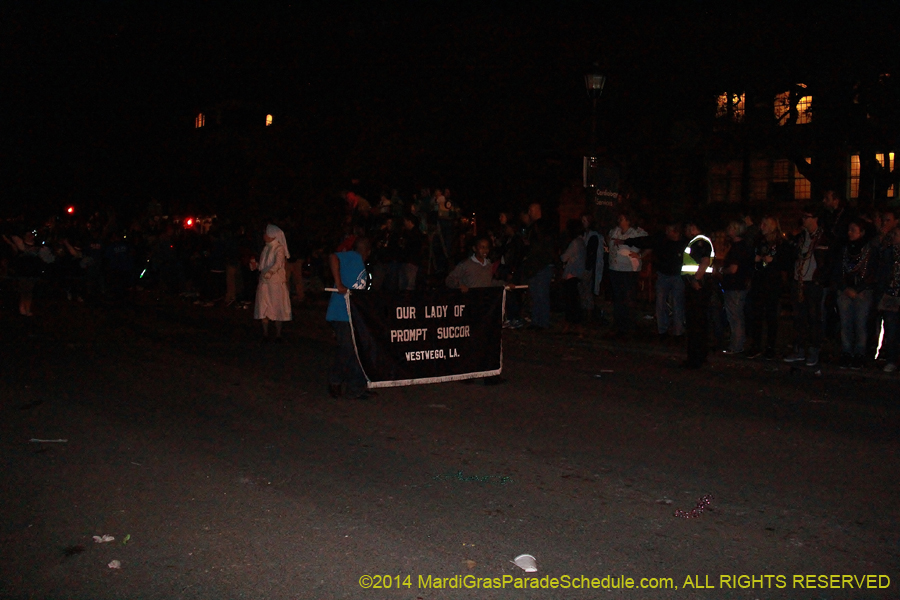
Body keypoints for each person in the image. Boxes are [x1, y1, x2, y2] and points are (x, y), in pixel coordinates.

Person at [783, 205, 833, 367]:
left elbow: (827, 262)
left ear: (815, 218)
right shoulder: (801, 237)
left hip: (813, 282)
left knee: (814, 317)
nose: (803, 220)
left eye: (807, 216)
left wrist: (819, 280)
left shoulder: (823, 237)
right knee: (799, 318)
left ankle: (814, 349)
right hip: (799, 282)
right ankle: (799, 349)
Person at [326, 237, 373, 399]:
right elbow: (333, 257)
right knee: (347, 348)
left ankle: (356, 386)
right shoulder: (353, 257)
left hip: (353, 315)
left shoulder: (360, 264)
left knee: (357, 350)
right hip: (341, 313)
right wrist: (339, 284)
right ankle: (335, 380)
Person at [627, 220, 686, 341]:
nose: (666, 232)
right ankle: (662, 330)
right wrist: (641, 255)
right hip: (663, 275)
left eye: (669, 230)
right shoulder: (663, 240)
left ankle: (678, 332)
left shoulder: (683, 243)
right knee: (660, 303)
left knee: (677, 304)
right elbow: (650, 245)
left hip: (677, 276)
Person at [832, 219, 878, 369]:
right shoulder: (844, 249)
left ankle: (859, 353)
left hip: (863, 292)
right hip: (845, 291)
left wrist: (858, 289)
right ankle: (846, 352)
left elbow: (872, 273)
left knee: (860, 323)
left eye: (853, 230)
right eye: (849, 229)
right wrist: (845, 287)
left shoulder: (869, 250)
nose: (849, 233)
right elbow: (838, 270)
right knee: (846, 323)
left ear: (862, 232)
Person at [746, 216, 789, 360]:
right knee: (756, 315)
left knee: (771, 316)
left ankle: (771, 346)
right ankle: (756, 345)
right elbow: (753, 258)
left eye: (765, 224)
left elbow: (785, 262)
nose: (762, 227)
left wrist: (773, 261)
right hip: (759, 282)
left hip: (773, 283)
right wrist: (756, 260)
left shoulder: (781, 243)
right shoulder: (759, 241)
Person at [608, 212, 648, 336]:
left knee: (628, 297)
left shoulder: (638, 233)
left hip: (629, 270)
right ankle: (619, 325)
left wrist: (640, 256)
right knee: (618, 297)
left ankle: (629, 325)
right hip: (615, 268)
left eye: (623, 218)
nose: (620, 220)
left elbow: (649, 245)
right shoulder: (614, 231)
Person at [249, 224, 291, 342]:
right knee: (264, 306)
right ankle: (265, 333)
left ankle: (278, 334)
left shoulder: (279, 248)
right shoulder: (266, 248)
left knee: (277, 306)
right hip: (264, 282)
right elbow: (264, 265)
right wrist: (256, 266)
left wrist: (271, 272)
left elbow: (278, 263)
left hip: (275, 283)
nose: (264, 236)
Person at [681, 219, 714, 368]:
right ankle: (699, 355)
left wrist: (696, 280)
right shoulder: (700, 241)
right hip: (698, 286)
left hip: (697, 288)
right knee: (699, 322)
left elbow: (705, 262)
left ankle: (695, 358)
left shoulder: (699, 242)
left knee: (695, 323)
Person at [520, 203, 556, 330]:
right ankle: (537, 321)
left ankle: (542, 322)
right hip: (537, 265)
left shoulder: (540, 226)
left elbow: (541, 246)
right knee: (536, 295)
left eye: (531, 210)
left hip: (540, 265)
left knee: (541, 295)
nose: (529, 213)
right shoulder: (535, 227)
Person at [720, 221, 754, 355]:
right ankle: (738, 342)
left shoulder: (737, 248)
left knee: (735, 316)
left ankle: (736, 345)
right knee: (736, 315)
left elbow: (733, 269)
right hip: (738, 285)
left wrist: (722, 270)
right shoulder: (742, 246)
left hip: (735, 285)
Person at [876, 226, 900, 372]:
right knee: (891, 329)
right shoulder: (888, 253)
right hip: (891, 294)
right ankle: (891, 359)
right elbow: (882, 273)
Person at [560, 219, 586, 334]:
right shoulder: (581, 242)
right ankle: (574, 325)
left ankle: (572, 325)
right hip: (577, 274)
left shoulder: (575, 243)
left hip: (571, 275)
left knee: (571, 303)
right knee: (574, 302)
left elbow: (564, 257)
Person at [580, 213, 604, 320]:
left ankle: (591, 315)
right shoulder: (585, 235)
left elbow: (591, 254)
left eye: (585, 221)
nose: (583, 223)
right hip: (586, 267)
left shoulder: (593, 236)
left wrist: (587, 268)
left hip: (591, 268)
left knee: (590, 291)